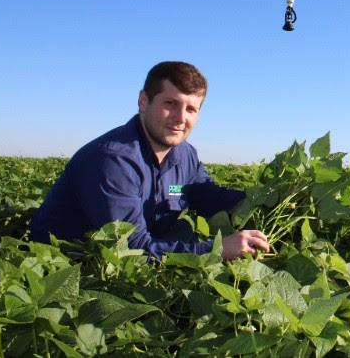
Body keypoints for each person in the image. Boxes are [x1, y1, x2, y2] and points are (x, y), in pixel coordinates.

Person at [30, 61, 269, 260]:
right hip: (69, 263)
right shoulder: (113, 161)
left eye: (191, 109)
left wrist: (275, 196)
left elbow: (210, 197)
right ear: (144, 101)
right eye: (170, 104)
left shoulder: (185, 155)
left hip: (146, 250)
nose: (180, 118)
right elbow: (131, 250)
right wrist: (217, 250)